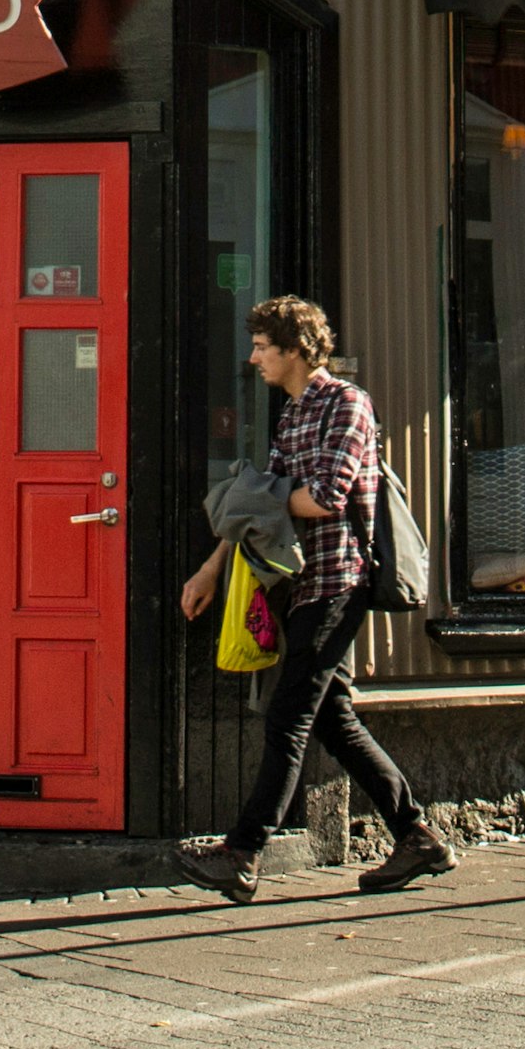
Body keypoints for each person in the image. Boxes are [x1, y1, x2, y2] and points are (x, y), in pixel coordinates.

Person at [170, 298, 453, 904]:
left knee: (288, 718)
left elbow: (326, 497)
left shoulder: (346, 404)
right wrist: (210, 568)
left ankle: (242, 854)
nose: (253, 358)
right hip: (299, 586)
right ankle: (417, 835)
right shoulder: (293, 413)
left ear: (296, 349)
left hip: (336, 585)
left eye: (263, 348)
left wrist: (259, 495)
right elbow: (258, 509)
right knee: (334, 720)